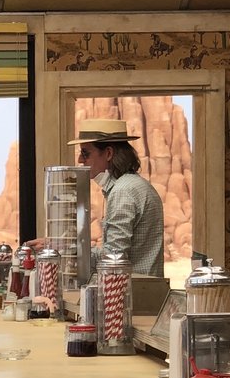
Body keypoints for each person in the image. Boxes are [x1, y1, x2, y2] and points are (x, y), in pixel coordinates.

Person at [63, 118, 164, 276]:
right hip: (143, 286)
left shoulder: (123, 191)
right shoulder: (133, 185)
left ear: (109, 153)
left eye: (85, 153)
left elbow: (113, 258)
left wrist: (65, 249)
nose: (80, 160)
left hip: (132, 289)